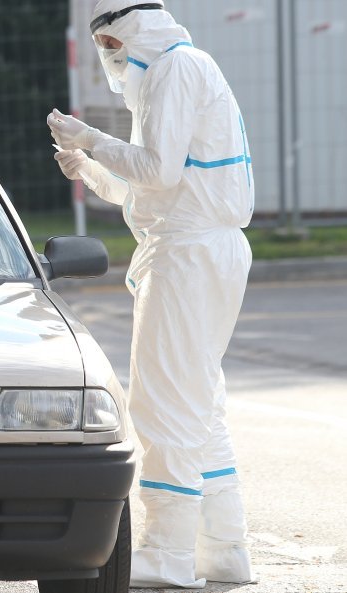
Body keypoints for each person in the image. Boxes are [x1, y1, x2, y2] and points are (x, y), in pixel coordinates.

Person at [46, 0, 255, 588]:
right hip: (199, 249)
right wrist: (88, 165)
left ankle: (167, 552)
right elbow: (156, 186)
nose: (109, 59)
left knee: (164, 403)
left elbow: (157, 171)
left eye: (110, 46)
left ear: (130, 32)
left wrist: (92, 138)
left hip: (188, 255)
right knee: (198, 401)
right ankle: (223, 548)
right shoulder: (179, 69)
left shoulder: (172, 69)